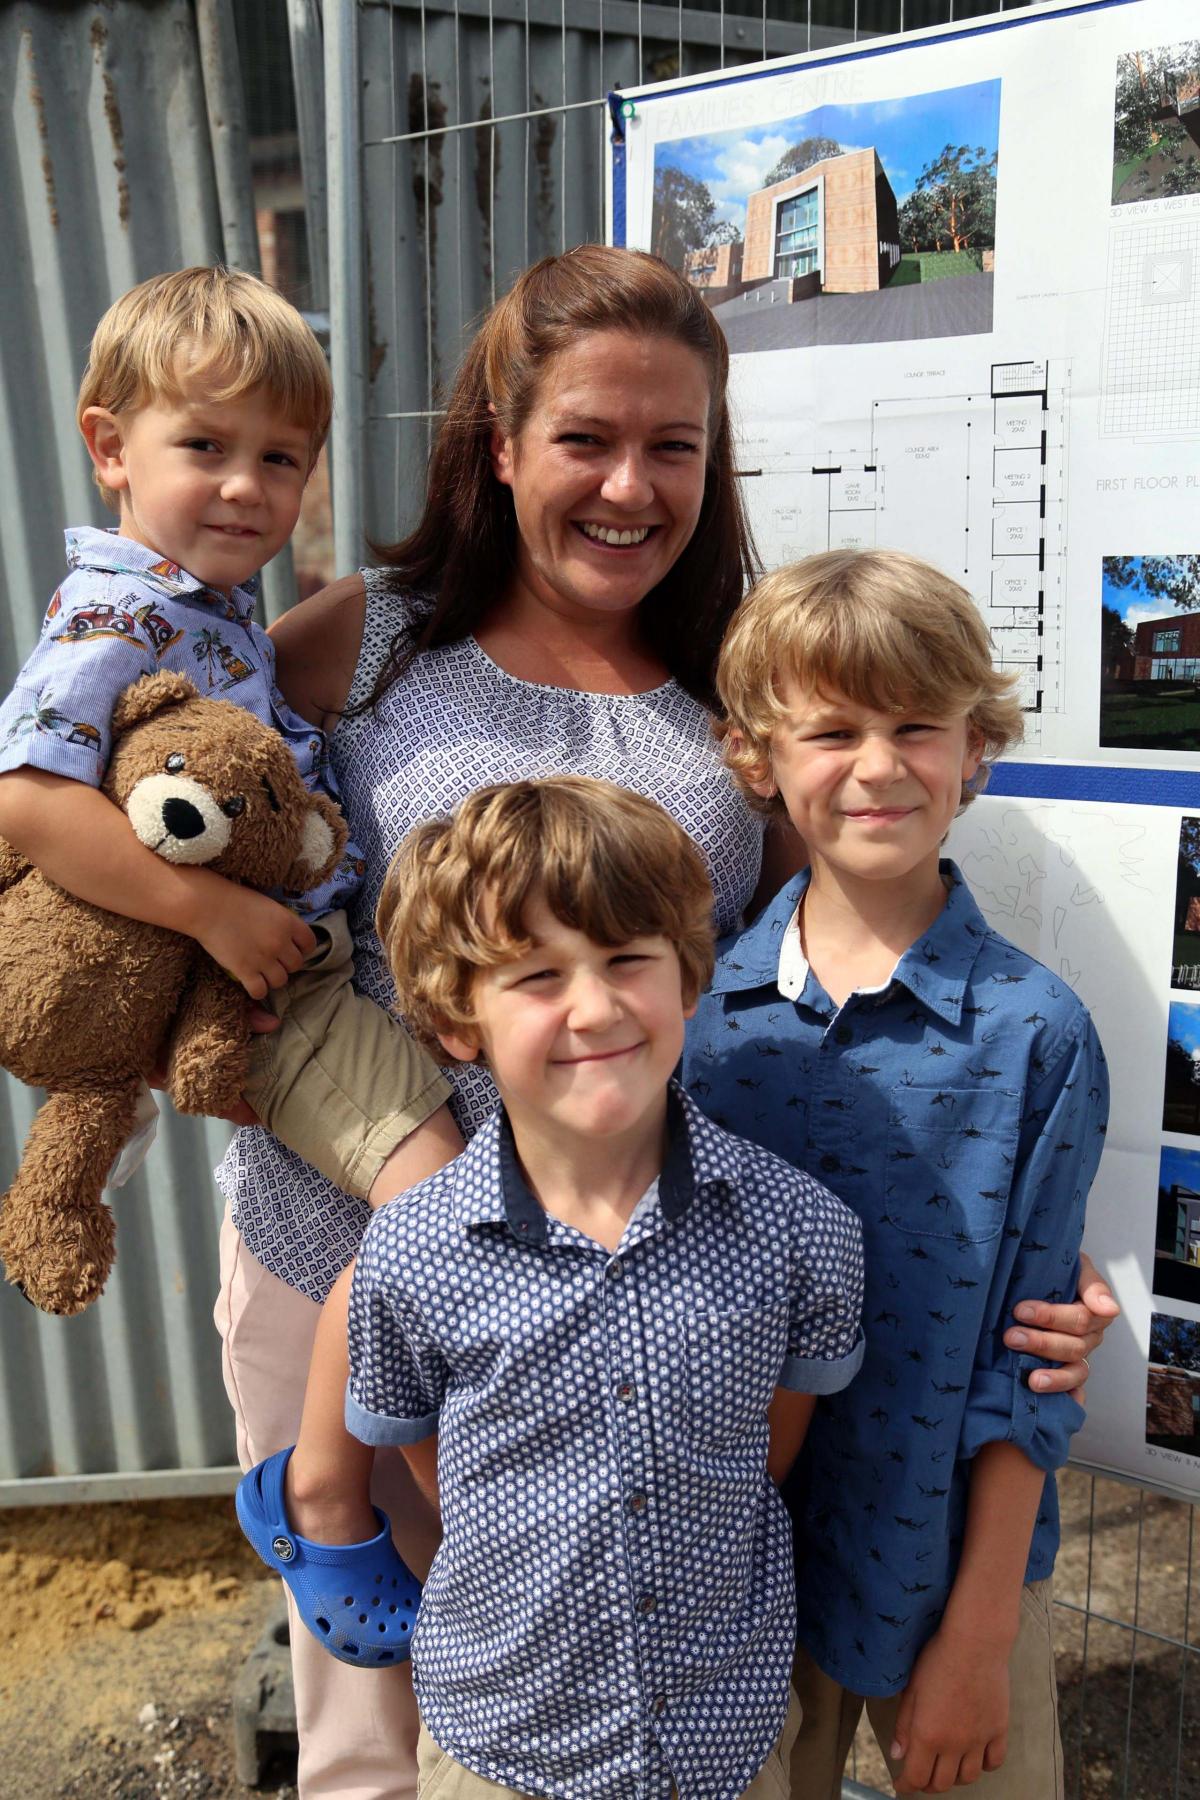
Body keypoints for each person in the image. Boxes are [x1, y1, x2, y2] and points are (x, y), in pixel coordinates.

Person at [212, 247, 1116, 1798]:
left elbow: (798, 977)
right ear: (501, 445)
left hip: (666, 1282)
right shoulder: (359, 644)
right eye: (585, 439)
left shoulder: (733, 680)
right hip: (362, 1257)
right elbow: (186, 830)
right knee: (384, 1715)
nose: (629, 485)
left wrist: (1024, 1260)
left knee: (629, 1657)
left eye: (673, 447)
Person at [332, 775, 864, 1798]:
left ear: (687, 979)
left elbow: (763, 1451)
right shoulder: (408, 1255)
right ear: (457, 1016)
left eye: (629, 960)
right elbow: (446, 1478)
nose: (596, 1006)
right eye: (535, 976)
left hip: (725, 1745)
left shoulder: (801, 1233)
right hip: (500, 1749)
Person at [681, 550, 1111, 1799]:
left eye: (916, 726)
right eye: (831, 730)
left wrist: (980, 1637)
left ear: (975, 747)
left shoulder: (1040, 1035)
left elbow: (1035, 1358)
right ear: (759, 758)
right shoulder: (695, 1021)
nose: (878, 765)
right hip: (739, 1592)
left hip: (950, 1583)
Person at [0, 266, 452, 1230]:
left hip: (266, 965)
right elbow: (30, 799)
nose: (248, 487)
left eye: (283, 458)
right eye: (205, 445)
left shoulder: (204, 604)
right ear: (111, 447)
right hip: (263, 982)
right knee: (433, 1188)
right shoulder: (116, 614)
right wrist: (211, 914)